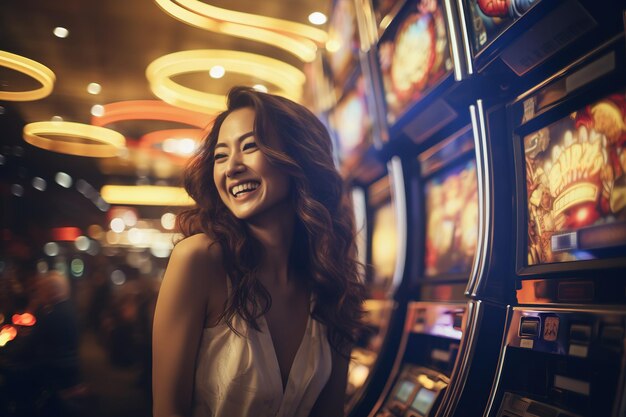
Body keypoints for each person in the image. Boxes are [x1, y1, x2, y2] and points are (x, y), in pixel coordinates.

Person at [152, 86, 365, 417]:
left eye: (249, 147)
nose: (232, 167)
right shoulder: (199, 260)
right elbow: (168, 411)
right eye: (221, 155)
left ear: (298, 159)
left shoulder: (330, 279)